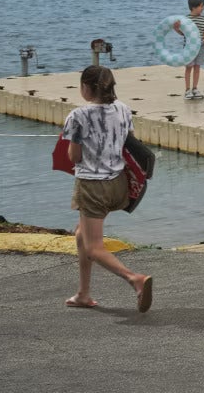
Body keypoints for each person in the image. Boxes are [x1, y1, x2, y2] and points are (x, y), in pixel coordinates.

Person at [60, 65, 153, 311]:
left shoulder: (77, 116)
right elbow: (127, 142)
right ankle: (83, 293)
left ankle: (135, 279)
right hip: (118, 185)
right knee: (82, 235)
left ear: (86, 88)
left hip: (92, 187)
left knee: (94, 247)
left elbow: (75, 157)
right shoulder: (123, 109)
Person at [177, 0, 204, 99]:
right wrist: (176, 28)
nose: (203, 8)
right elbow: (183, 33)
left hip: (200, 47)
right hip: (189, 48)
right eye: (201, 6)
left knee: (197, 67)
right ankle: (187, 90)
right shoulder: (186, 19)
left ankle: (195, 88)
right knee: (188, 68)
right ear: (194, 7)